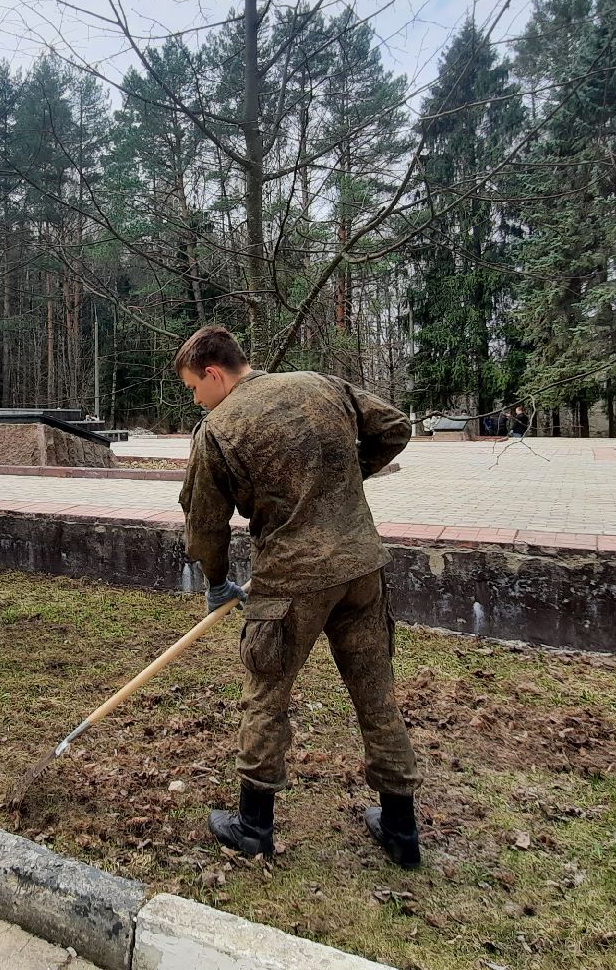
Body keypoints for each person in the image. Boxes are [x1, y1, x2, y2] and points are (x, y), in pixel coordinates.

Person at [174, 325, 423, 868]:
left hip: (290, 584)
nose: (195, 399)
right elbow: (395, 427)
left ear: (214, 374)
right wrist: (346, 477)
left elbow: (205, 524)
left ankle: (253, 825)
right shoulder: (321, 384)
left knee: (266, 696)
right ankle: (402, 828)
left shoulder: (218, 429)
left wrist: (216, 581)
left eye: (194, 387)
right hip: (362, 569)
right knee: (377, 695)